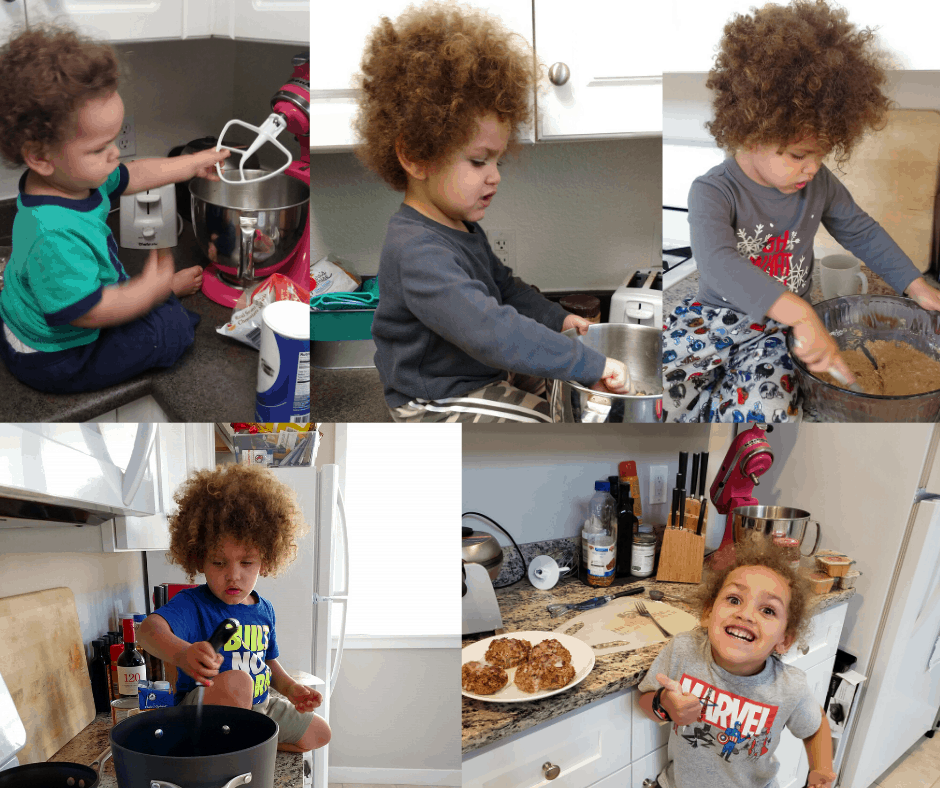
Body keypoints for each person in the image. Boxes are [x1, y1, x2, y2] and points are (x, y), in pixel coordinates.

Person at [353, 1, 631, 423]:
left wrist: (560, 320)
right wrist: (590, 364)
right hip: (434, 400)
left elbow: (506, 290)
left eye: (498, 160)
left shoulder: (457, 225)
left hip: (474, 373)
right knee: (549, 425)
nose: (495, 176)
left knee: (562, 396)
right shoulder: (417, 251)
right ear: (415, 156)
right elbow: (491, 331)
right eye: (479, 161)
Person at [663, 0, 940, 423]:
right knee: (659, 393)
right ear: (751, 132)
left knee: (772, 411)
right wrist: (802, 310)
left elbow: (861, 231)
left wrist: (914, 285)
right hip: (714, 317)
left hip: (777, 333)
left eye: (821, 154)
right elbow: (717, 265)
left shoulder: (819, 182)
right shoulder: (712, 192)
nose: (812, 168)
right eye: (798, 155)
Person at [0, 25, 230, 394]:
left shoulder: (69, 178)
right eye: (98, 148)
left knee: (145, 304)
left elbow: (134, 174)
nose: (115, 153)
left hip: (32, 318)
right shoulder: (55, 233)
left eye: (114, 139)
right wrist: (153, 290)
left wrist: (191, 164)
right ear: (40, 156)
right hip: (54, 358)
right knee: (169, 331)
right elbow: (86, 313)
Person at [137, 464, 331, 754]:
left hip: (260, 706)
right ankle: (236, 746)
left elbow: (269, 662)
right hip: (205, 710)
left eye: (247, 563)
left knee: (320, 732)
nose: (233, 575)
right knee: (239, 682)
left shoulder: (263, 609)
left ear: (266, 561)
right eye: (218, 562)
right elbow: (148, 631)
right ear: (198, 559)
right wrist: (180, 654)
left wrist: (290, 689)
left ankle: (252, 742)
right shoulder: (193, 604)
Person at [636, 534, 836, 788]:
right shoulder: (684, 650)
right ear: (708, 612)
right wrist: (663, 703)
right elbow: (644, 701)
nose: (745, 614)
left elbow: (816, 727)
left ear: (784, 639)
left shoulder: (789, 687)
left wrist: (821, 768)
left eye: (767, 610)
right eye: (734, 599)